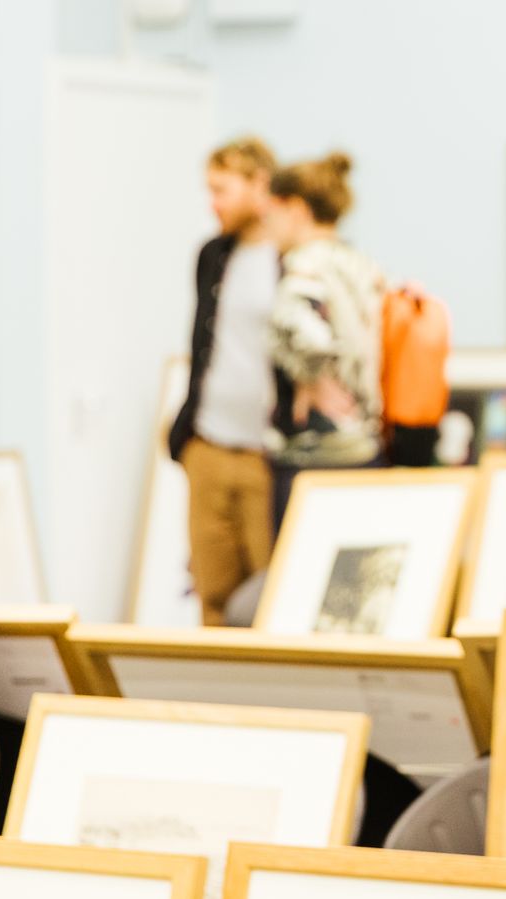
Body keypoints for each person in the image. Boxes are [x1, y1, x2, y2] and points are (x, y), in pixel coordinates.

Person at [167, 137, 280, 627]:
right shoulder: (212, 255)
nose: (213, 203)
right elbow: (203, 344)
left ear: (260, 185)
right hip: (209, 446)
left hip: (266, 457)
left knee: (269, 598)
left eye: (222, 190)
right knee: (212, 594)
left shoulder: (294, 259)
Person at [261, 152, 387, 531]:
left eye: (272, 213)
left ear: (295, 210)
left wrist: (308, 377)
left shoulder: (304, 266)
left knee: (298, 577)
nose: (268, 225)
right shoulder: (360, 263)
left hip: (315, 452)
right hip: (364, 446)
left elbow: (310, 338)